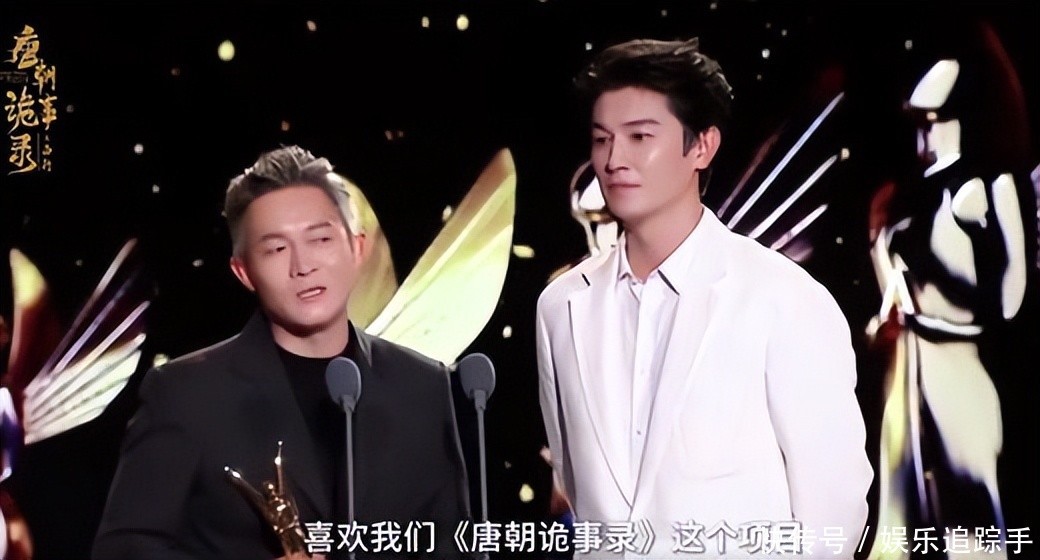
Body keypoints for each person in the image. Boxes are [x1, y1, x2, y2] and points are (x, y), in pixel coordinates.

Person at [535, 38, 873, 558]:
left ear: (702, 146)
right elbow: (577, 484)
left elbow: (834, 510)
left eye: (639, 136)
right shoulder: (561, 307)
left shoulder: (783, 299)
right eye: (602, 139)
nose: (614, 159)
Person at [93, 146, 471, 560]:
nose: (303, 265)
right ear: (243, 272)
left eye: (320, 239)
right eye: (276, 249)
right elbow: (123, 548)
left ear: (357, 248)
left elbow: (451, 544)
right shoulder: (186, 393)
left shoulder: (422, 385)